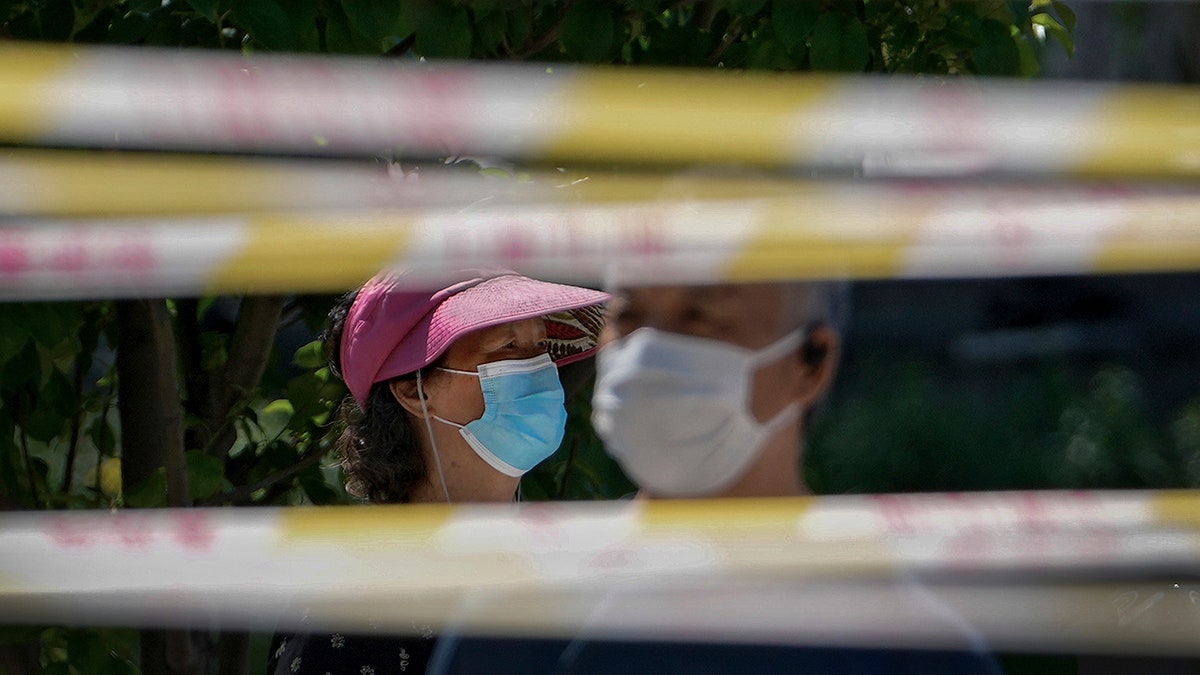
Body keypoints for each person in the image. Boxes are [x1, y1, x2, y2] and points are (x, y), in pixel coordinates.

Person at [430, 281, 1004, 674]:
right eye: (630, 317)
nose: (648, 351)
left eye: (699, 315)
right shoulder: (516, 625)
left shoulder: (912, 652)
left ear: (812, 362)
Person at [267, 268, 608, 675]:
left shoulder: (574, 569)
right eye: (508, 346)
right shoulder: (353, 606)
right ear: (414, 390)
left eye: (542, 347)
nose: (539, 368)